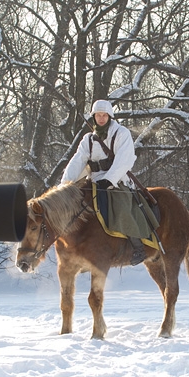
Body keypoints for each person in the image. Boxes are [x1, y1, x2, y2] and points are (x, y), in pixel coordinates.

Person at [61, 99, 148, 265]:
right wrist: (65, 185)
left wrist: (109, 180)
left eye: (104, 115)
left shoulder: (121, 133)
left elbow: (124, 159)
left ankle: (138, 247)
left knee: (121, 209)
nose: (101, 118)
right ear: (94, 117)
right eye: (98, 115)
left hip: (116, 180)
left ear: (109, 116)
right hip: (93, 180)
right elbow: (78, 161)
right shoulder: (88, 139)